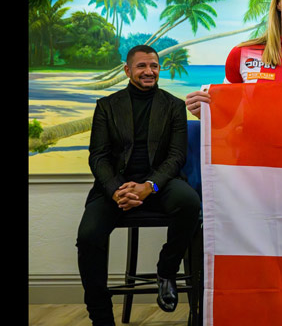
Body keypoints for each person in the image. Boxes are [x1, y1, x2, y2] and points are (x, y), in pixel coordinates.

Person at [77, 45, 201, 326]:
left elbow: (176, 156)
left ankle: (166, 270)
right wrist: (116, 190)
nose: (149, 71)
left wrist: (150, 185)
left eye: (154, 66)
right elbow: (98, 156)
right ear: (127, 70)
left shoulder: (173, 105)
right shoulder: (107, 106)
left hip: (161, 183)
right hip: (115, 187)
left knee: (189, 203)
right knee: (88, 236)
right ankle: (101, 316)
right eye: (142, 66)